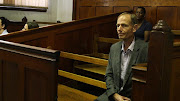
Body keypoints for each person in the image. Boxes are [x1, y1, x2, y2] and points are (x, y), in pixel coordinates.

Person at [95, 12, 148, 101]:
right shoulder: (114, 48)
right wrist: (114, 95)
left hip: (133, 96)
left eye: (124, 25)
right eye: (117, 25)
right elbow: (109, 75)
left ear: (134, 28)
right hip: (114, 93)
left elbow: (148, 80)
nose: (119, 29)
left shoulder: (145, 49)